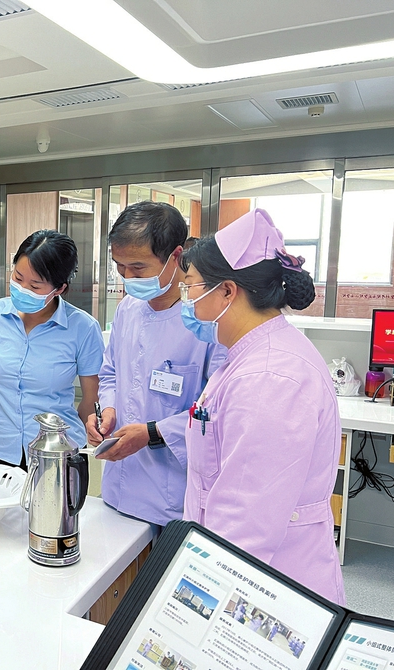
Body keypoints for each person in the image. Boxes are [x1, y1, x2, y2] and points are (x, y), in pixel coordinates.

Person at [179, 208, 345, 605]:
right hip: (248, 573)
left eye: (191, 287)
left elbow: (245, 525)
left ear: (227, 291)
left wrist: (197, 601)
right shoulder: (251, 356)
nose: (188, 301)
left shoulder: (269, 378)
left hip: (266, 588)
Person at [86, 202, 226, 529]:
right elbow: (111, 373)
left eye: (138, 268)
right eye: (120, 267)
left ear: (176, 256)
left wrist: (152, 433)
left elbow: (217, 409)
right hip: (118, 487)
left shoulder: (206, 321)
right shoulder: (128, 310)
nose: (127, 278)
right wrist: (108, 410)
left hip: (172, 493)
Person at [0, 230, 103, 468]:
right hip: (0, 445)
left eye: (35, 286)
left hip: (58, 453)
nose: (23, 289)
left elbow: (90, 399)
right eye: (18, 277)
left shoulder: (83, 327)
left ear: (59, 289)